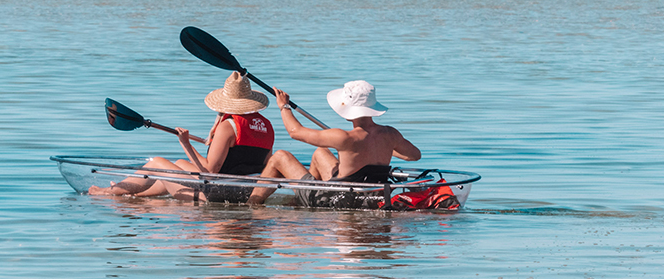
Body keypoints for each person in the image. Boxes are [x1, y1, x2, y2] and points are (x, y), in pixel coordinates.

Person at [89, 71, 275, 202]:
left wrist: (186, 143)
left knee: (157, 164)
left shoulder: (228, 127)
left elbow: (210, 171)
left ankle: (109, 192)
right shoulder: (267, 126)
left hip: (217, 194)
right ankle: (131, 194)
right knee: (177, 165)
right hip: (244, 191)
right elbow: (261, 165)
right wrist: (216, 125)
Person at [247, 80, 421, 208]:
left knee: (280, 157)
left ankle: (251, 205)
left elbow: (295, 132)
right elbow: (414, 155)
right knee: (321, 152)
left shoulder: (343, 137)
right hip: (371, 198)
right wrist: (388, 147)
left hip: (338, 201)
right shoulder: (390, 134)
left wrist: (284, 106)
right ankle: (302, 199)